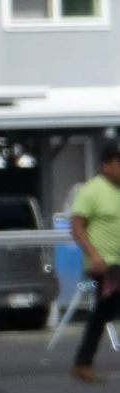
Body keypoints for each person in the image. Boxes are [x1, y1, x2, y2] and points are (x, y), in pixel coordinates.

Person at [68, 137, 120, 379]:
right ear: (106, 165)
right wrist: (94, 255)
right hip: (105, 263)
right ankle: (82, 362)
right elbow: (77, 227)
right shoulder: (92, 191)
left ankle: (82, 362)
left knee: (103, 312)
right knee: (107, 308)